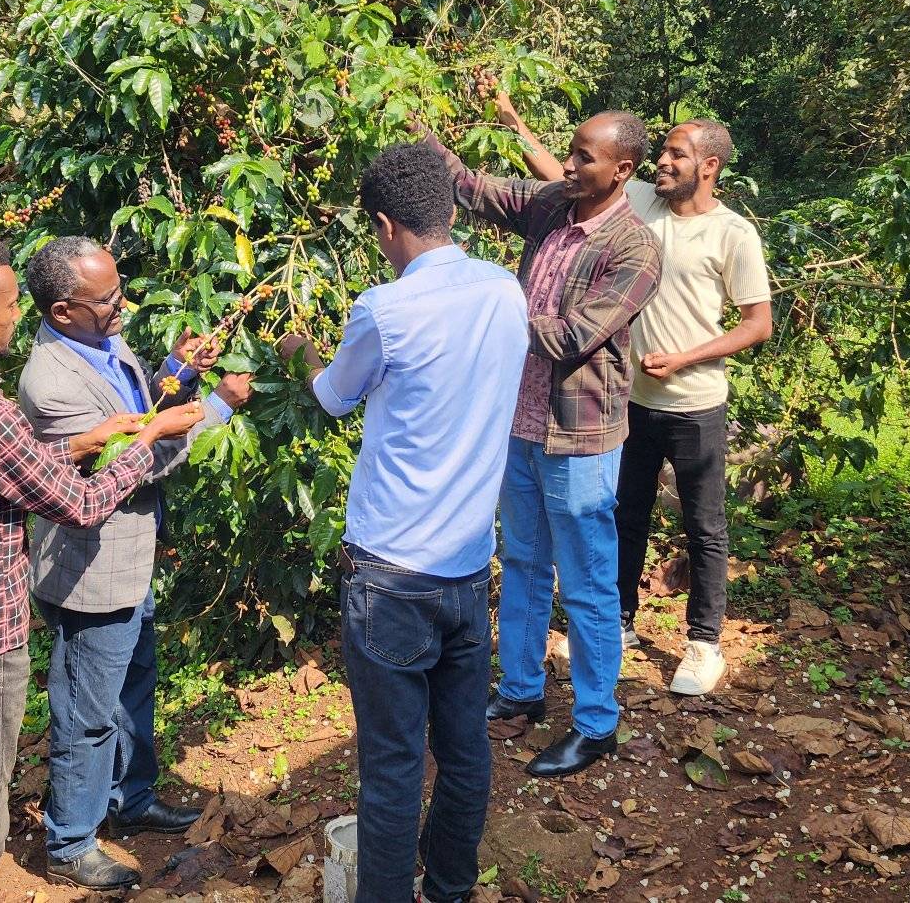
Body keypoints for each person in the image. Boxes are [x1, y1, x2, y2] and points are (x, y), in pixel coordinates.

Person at [0, 231, 204, 903]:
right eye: (8, 305)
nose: (16, 315)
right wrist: (146, 439)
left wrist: (86, 440)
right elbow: (80, 506)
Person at [276, 141, 527, 903]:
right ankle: (449, 888)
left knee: (388, 767)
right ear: (452, 209)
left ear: (387, 226)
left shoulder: (384, 309)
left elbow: (331, 396)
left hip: (388, 574)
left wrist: (299, 352)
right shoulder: (505, 291)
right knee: (464, 751)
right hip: (466, 567)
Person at [496, 95, 773, 696]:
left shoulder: (732, 234)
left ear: (709, 166)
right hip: (623, 403)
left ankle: (703, 642)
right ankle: (618, 624)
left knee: (704, 526)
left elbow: (758, 323)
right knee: (624, 518)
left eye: (678, 153)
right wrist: (513, 123)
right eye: (663, 151)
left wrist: (686, 356)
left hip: (693, 401)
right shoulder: (641, 203)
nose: (664, 162)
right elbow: (565, 175)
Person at [415, 113, 663, 778]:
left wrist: (491, 309)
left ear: (623, 170)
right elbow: (470, 187)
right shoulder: (554, 203)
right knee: (522, 562)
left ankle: (595, 722)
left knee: (586, 583)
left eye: (584, 158)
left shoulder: (635, 248)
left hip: (580, 432)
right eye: (570, 154)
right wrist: (419, 132)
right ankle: (521, 691)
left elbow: (576, 334)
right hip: (520, 424)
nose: (569, 166)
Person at [16, 236, 254, 890]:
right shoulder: (51, 382)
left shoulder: (99, 339)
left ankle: (130, 799)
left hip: (129, 557)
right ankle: (68, 844)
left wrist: (180, 370)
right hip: (91, 569)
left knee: (133, 686)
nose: (122, 305)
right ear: (63, 311)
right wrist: (222, 407)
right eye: (108, 299)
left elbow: (140, 408)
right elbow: (134, 461)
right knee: (88, 710)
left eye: (119, 290)